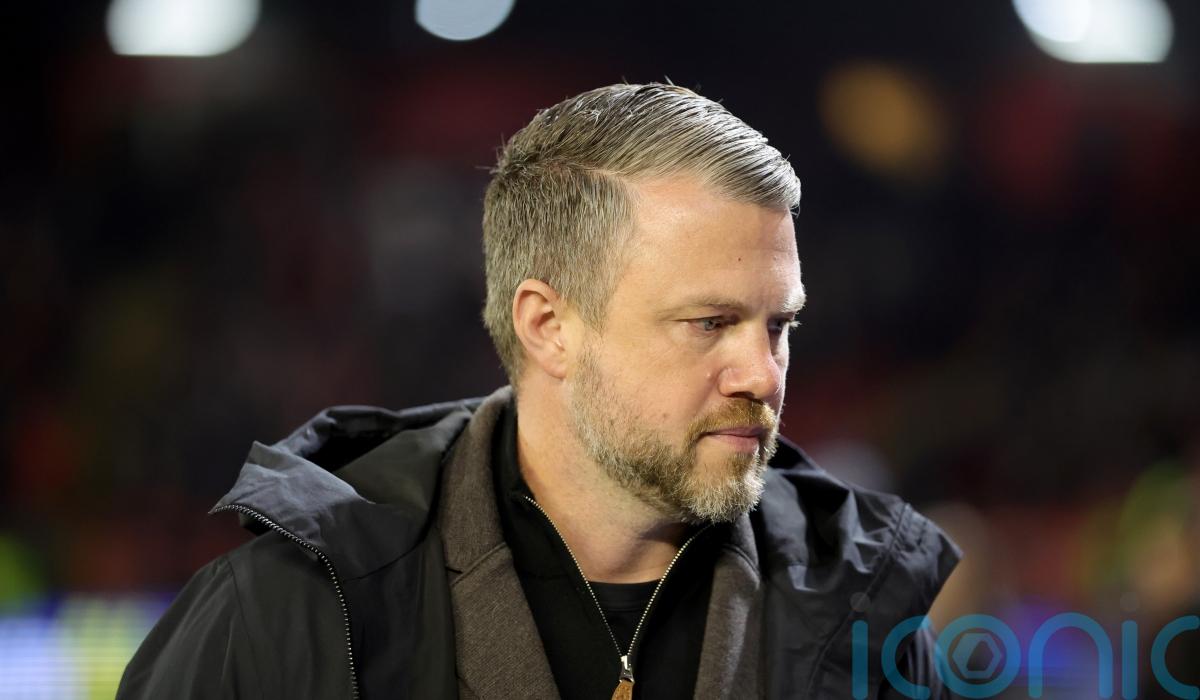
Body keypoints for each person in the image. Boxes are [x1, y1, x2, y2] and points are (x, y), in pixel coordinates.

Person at [117, 83, 959, 699]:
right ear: (548, 326)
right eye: (709, 322)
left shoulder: (866, 616)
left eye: (779, 325)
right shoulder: (288, 612)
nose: (763, 374)